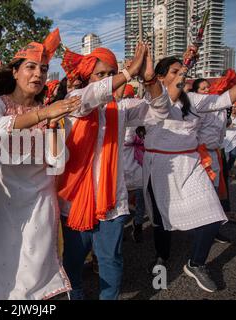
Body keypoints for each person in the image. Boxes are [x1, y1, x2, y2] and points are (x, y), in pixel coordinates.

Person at [55, 43, 169, 300]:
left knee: (111, 261)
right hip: (74, 204)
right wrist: (128, 74)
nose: (109, 80)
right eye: (101, 74)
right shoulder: (73, 102)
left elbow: (160, 111)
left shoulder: (122, 109)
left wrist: (149, 79)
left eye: (112, 73)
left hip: (111, 203)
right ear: (87, 78)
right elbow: (91, 97)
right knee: (73, 262)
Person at [0, 28, 80, 300]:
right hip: (3, 199)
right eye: (31, 67)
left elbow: (57, 163)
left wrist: (54, 127)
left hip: (39, 198)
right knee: (7, 266)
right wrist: (43, 113)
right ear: (15, 71)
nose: (38, 74)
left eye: (44, 69)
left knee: (39, 266)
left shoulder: (53, 110)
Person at [145, 47, 236, 292]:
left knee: (213, 214)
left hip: (192, 162)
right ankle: (161, 258)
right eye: (174, 72)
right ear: (161, 77)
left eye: (181, 71)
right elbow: (165, 103)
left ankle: (196, 263)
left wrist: (183, 75)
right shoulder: (150, 97)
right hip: (161, 166)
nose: (180, 75)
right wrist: (183, 71)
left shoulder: (194, 100)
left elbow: (226, 99)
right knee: (162, 222)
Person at [191, 78, 232, 243]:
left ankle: (212, 231)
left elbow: (222, 132)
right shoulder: (196, 109)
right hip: (198, 156)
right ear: (195, 93)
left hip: (214, 154)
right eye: (202, 89)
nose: (207, 90)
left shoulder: (221, 108)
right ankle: (198, 229)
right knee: (201, 196)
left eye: (208, 87)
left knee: (214, 195)